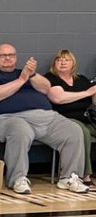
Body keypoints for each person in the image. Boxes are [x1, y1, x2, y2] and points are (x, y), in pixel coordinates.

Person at [0, 44, 87, 195]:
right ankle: (18, 179)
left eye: (11, 55)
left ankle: (69, 177)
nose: (8, 58)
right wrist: (21, 80)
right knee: (20, 129)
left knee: (73, 130)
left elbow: (46, 88)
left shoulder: (26, 73)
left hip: (44, 117)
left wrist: (32, 75)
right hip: (5, 118)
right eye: (3, 55)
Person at [44, 49, 96, 187]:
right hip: (65, 119)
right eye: (59, 60)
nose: (62, 63)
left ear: (73, 63)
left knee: (86, 128)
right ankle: (84, 175)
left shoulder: (81, 79)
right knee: (81, 132)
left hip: (87, 117)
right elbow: (59, 99)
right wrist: (86, 93)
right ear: (54, 63)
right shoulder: (50, 78)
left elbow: (93, 96)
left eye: (66, 60)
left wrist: (92, 94)